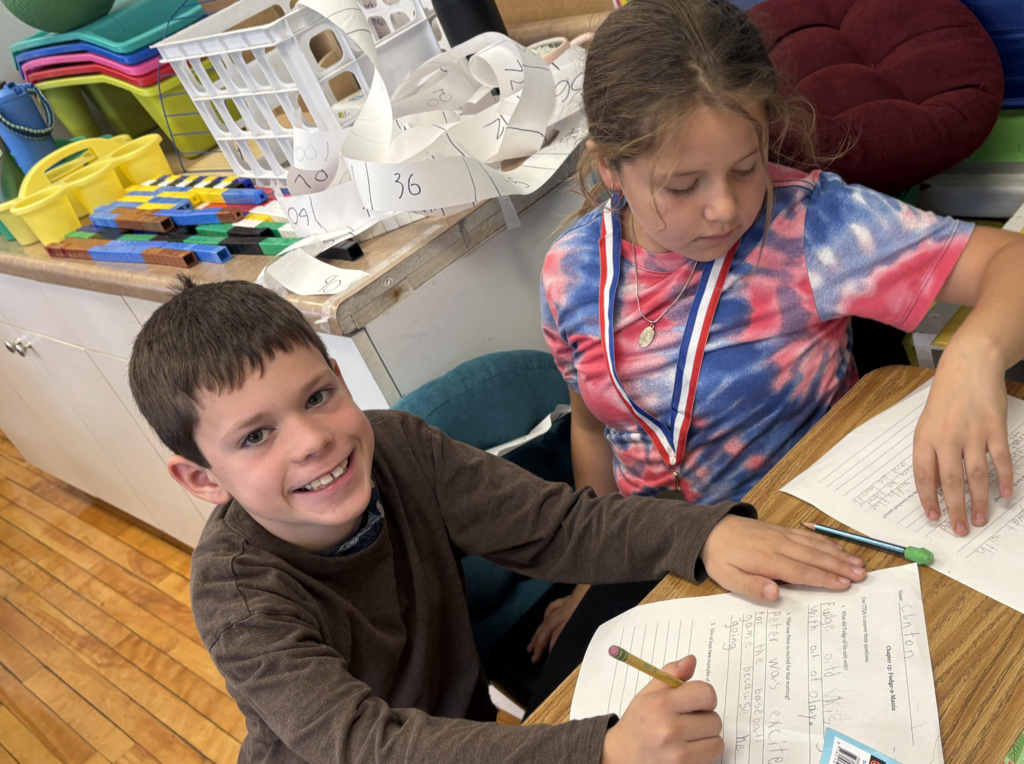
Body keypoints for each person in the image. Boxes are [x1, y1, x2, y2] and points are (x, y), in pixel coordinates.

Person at [128, 276, 865, 764]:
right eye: (256, 436)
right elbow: (365, 747)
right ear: (201, 478)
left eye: (319, 395)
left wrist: (702, 533)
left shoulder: (400, 447)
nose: (313, 439)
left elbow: (556, 526)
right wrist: (601, 751)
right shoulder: (237, 595)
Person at [533, 0, 1024, 679]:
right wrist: (590, 569)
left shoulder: (811, 228)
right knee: (570, 695)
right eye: (682, 185)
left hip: (803, 534)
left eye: (747, 165)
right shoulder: (572, 271)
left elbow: (1010, 263)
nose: (727, 208)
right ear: (610, 168)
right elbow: (592, 427)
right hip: (656, 550)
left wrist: (976, 354)